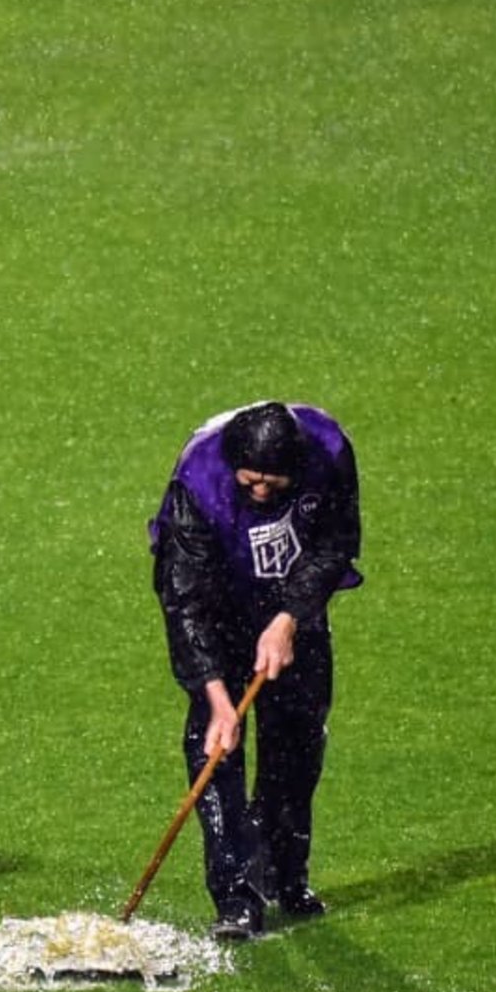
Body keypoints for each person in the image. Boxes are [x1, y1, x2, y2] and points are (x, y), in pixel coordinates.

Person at [149, 401, 361, 940]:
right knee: (215, 749)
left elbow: (335, 542)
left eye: (274, 484)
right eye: (251, 483)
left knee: (298, 742)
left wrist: (290, 618)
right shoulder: (197, 485)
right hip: (219, 603)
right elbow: (184, 601)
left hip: (292, 605)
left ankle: (284, 876)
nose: (262, 493)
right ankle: (236, 898)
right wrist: (218, 699)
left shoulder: (329, 451)